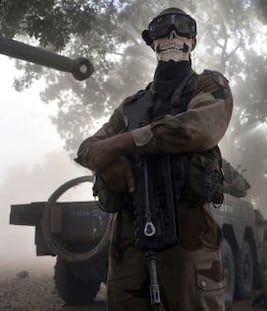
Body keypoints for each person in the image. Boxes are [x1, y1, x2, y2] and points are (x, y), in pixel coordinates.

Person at [75, 7, 233, 311]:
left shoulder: (208, 87)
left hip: (188, 245)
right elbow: (89, 147)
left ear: (193, 41)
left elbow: (196, 129)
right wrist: (109, 164)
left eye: (182, 29)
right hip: (128, 245)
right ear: (152, 42)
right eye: (163, 30)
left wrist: (121, 143)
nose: (173, 36)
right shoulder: (132, 106)